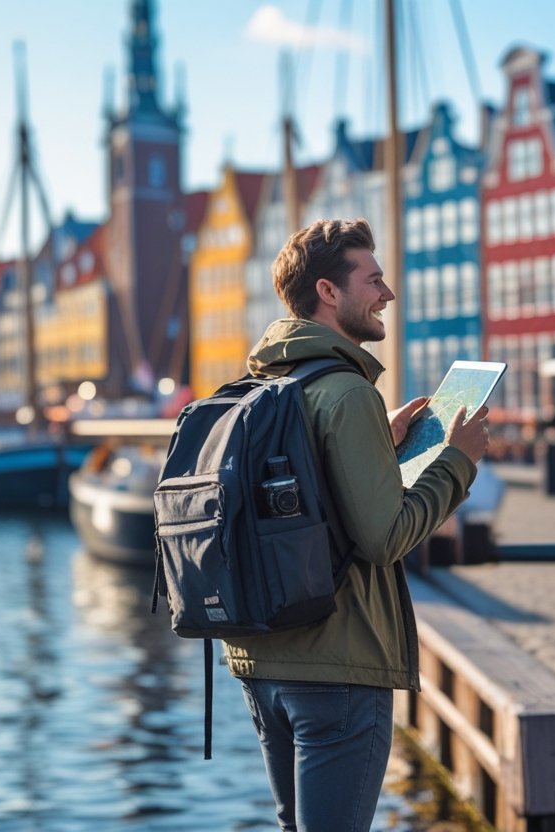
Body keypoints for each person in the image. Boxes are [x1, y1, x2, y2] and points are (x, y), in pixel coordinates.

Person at [221, 218, 489, 831]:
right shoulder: (344, 391)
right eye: (373, 280)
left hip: (261, 659)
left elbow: (314, 506)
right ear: (328, 292)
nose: (387, 294)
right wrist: (457, 461)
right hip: (337, 666)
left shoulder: (264, 384)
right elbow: (384, 537)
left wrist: (383, 446)